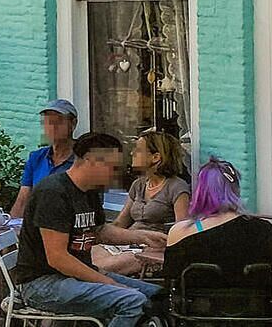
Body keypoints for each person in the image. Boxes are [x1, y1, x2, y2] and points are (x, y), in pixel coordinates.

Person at [12, 130, 162, 327]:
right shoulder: (53, 193)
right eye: (113, 167)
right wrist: (107, 282)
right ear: (91, 160)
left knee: (158, 295)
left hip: (73, 276)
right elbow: (57, 258)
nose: (116, 173)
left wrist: (142, 237)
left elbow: (98, 231)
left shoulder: (89, 191)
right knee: (132, 301)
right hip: (42, 283)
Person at [0, 99, 80, 288]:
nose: (51, 126)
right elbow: (21, 203)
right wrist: (7, 229)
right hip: (26, 233)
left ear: (73, 124)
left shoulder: (82, 161)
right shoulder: (37, 158)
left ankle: (18, 297)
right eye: (47, 121)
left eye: (58, 121)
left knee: (9, 249)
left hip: (57, 237)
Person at [163, 157, 272, 291]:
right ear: (236, 189)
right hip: (255, 308)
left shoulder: (180, 232)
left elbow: (170, 280)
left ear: (200, 191)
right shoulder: (265, 230)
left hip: (196, 309)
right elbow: (271, 265)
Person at [100, 130, 190, 253]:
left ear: (156, 157)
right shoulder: (139, 184)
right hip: (129, 242)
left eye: (138, 150)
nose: (132, 153)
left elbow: (182, 230)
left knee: (100, 266)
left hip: (153, 247)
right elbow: (120, 223)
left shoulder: (177, 187)